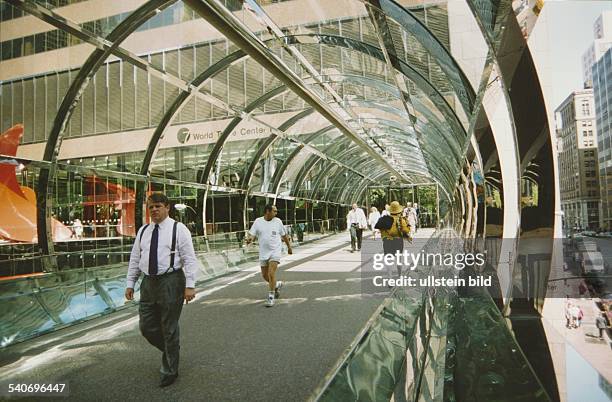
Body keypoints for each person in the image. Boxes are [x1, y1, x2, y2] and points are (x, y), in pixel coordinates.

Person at [125, 192, 199, 387]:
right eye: (151, 207)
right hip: (148, 282)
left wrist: (190, 285)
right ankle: (171, 350)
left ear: (167, 207)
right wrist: (130, 283)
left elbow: (190, 258)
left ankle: (170, 370)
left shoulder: (179, 229)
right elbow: (135, 258)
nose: (154, 210)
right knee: (146, 326)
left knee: (169, 325)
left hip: (171, 280)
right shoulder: (143, 231)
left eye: (158, 206)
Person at [246, 204, 292, 307]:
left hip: (275, 251)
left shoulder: (278, 221)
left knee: (271, 273)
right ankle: (276, 285)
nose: (276, 213)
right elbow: (252, 235)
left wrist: (289, 247)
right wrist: (249, 240)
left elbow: (284, 235)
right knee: (264, 275)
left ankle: (271, 298)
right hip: (263, 252)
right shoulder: (258, 221)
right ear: (267, 211)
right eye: (274, 211)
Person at [379, 201, 411, 278]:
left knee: (388, 260)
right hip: (398, 241)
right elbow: (406, 230)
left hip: (387, 241)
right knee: (399, 259)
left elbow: (382, 231)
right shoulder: (402, 219)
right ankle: (400, 275)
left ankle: (390, 278)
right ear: (399, 210)